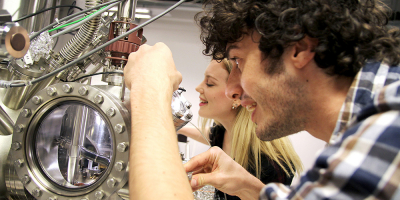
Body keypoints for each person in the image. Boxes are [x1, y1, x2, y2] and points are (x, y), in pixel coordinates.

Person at [124, 0, 400, 199]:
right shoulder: (361, 133)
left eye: (238, 61)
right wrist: (250, 188)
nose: (232, 89)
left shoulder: (390, 121)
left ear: (300, 49)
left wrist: (150, 91)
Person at [178, 59, 303, 199]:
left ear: (235, 96)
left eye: (210, 83)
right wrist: (178, 128)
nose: (198, 87)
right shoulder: (222, 133)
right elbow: (208, 133)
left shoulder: (270, 165)